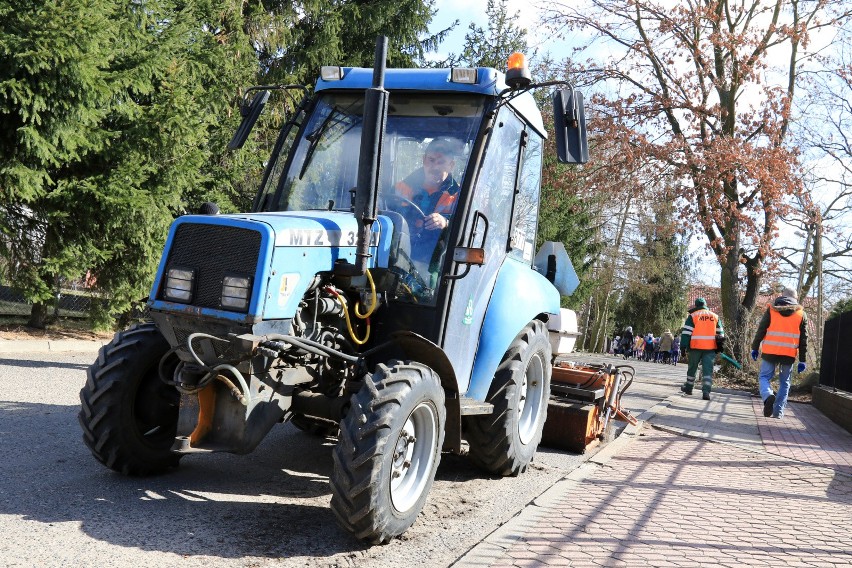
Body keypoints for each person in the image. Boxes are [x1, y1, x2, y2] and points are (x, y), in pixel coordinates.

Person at [750, 287, 808, 419]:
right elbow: (804, 339)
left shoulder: (772, 310)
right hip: (788, 353)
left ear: (782, 295)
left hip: (770, 351)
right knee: (785, 383)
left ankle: (768, 395)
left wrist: (755, 347)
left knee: (764, 377)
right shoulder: (801, 314)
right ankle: (778, 413)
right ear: (795, 298)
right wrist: (802, 360)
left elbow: (761, 329)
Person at [679, 298, 725, 400]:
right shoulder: (715, 316)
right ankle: (706, 392)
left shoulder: (693, 316)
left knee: (692, 368)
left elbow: (686, 333)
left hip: (695, 347)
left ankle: (689, 388)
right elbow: (720, 334)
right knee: (707, 370)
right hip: (710, 348)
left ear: (696, 306)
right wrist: (719, 347)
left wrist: (683, 347)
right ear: (705, 305)